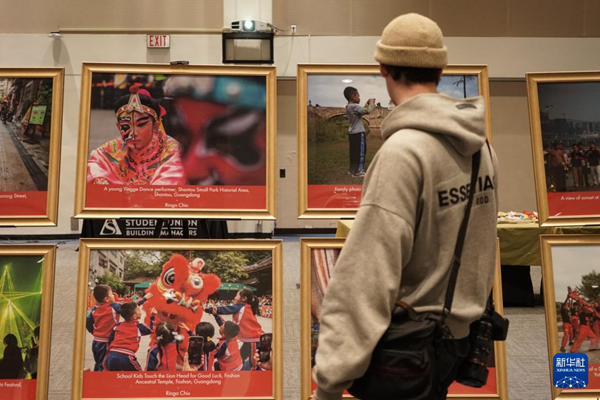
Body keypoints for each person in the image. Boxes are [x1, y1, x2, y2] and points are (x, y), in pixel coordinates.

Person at [312, 13, 498, 400]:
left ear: (382, 68)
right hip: (457, 338)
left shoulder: (403, 152)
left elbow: (367, 274)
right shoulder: (481, 147)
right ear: (441, 69)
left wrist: (329, 380)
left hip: (408, 348)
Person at [87, 86, 185, 185]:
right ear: (118, 126)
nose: (133, 133)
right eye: (125, 126)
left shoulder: (174, 151)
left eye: (141, 124)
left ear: (155, 126)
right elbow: (94, 169)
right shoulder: (107, 152)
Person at [86, 285, 152, 371]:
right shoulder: (113, 306)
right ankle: (101, 381)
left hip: (96, 342)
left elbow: (88, 322)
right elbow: (128, 307)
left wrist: (93, 332)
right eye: (111, 294)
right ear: (106, 299)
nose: (114, 295)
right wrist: (144, 299)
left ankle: (96, 376)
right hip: (105, 341)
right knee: (104, 365)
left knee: (98, 362)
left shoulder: (94, 309)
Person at [205, 289, 264, 368]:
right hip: (249, 340)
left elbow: (224, 309)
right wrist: (215, 314)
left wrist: (207, 309)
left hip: (253, 339)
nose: (234, 297)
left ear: (244, 298)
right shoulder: (244, 309)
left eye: (237, 295)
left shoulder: (241, 306)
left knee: (255, 364)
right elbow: (222, 323)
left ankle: (257, 378)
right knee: (243, 358)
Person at [104, 303, 156, 371]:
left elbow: (110, 339)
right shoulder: (138, 327)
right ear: (134, 316)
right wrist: (152, 316)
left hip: (112, 354)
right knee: (137, 376)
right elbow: (151, 329)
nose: (140, 311)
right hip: (126, 356)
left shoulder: (117, 325)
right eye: (138, 309)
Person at [343, 87, 375, 178]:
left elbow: (361, 111)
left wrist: (365, 105)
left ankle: (352, 169)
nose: (359, 97)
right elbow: (368, 111)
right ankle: (359, 171)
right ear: (353, 96)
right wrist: (372, 103)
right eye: (358, 95)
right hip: (358, 133)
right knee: (361, 152)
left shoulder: (349, 106)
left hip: (352, 133)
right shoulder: (354, 106)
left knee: (353, 152)